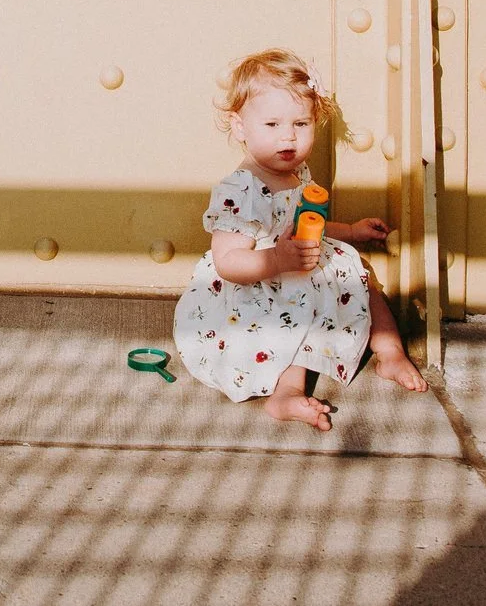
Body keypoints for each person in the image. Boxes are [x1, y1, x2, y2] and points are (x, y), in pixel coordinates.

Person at [172, 48, 427, 430]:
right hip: (262, 282)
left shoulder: (297, 172)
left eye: (301, 124)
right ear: (240, 127)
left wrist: (352, 232)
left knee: (361, 277)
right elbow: (228, 261)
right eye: (272, 125)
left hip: (303, 262)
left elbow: (310, 224)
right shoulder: (239, 190)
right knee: (294, 318)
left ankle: (389, 352)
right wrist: (277, 260)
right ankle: (287, 393)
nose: (288, 137)